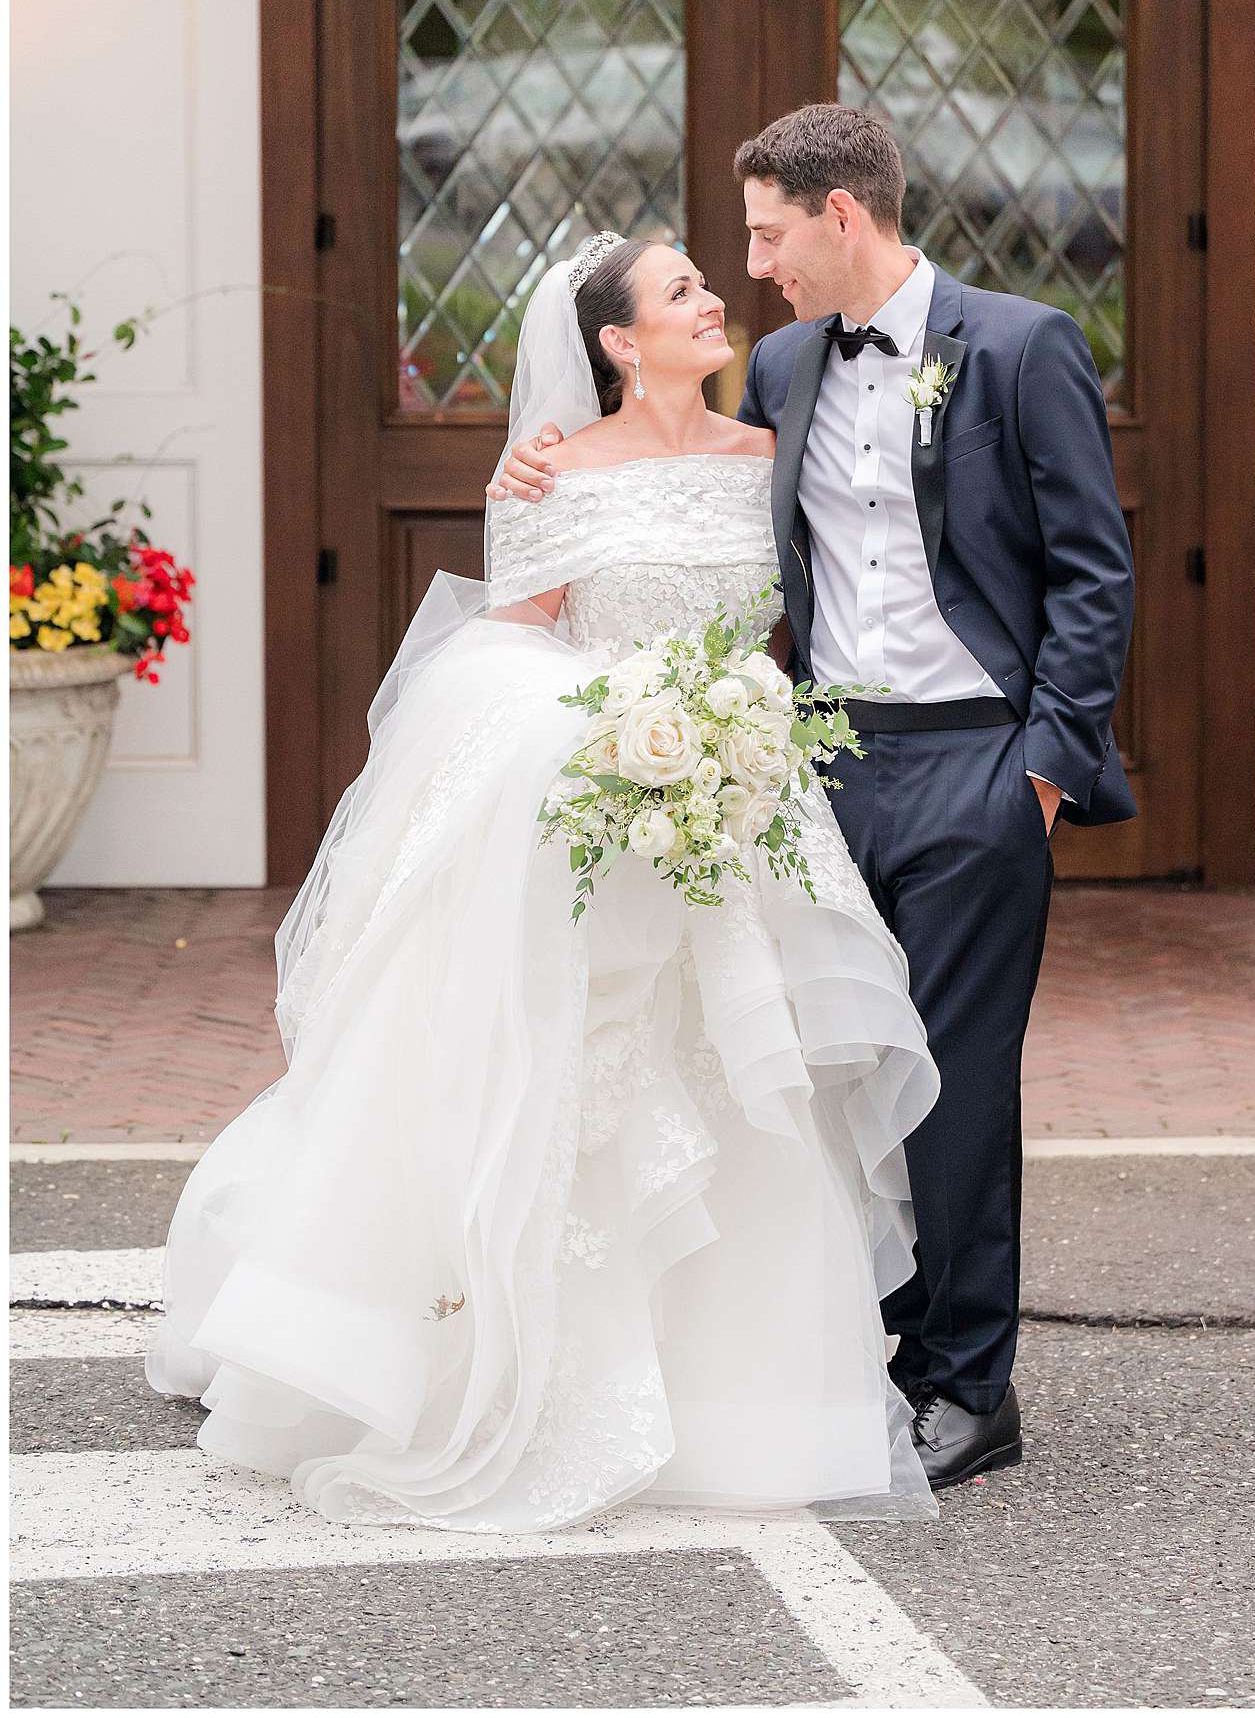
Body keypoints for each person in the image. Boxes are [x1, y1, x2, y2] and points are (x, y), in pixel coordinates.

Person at [144, 230, 943, 1530]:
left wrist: (730, 739)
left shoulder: (766, 459)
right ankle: (516, 1372)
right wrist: (616, 734)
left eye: (707, 278)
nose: (713, 296)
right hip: (599, 806)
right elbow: (502, 660)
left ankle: (730, 1400)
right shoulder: (548, 476)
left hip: (736, 799)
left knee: (739, 1093)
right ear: (620, 343)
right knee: (578, 1096)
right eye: (682, 288)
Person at [493, 103, 1137, 1491]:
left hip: (977, 758)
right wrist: (535, 469)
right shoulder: (780, 367)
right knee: (832, 1071)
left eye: (769, 231)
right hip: (818, 763)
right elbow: (672, 483)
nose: (756, 262)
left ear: (842, 216)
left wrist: (1041, 765)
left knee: (958, 1081)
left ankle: (968, 1385)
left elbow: (1096, 570)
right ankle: (863, 1349)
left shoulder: (1020, 348)